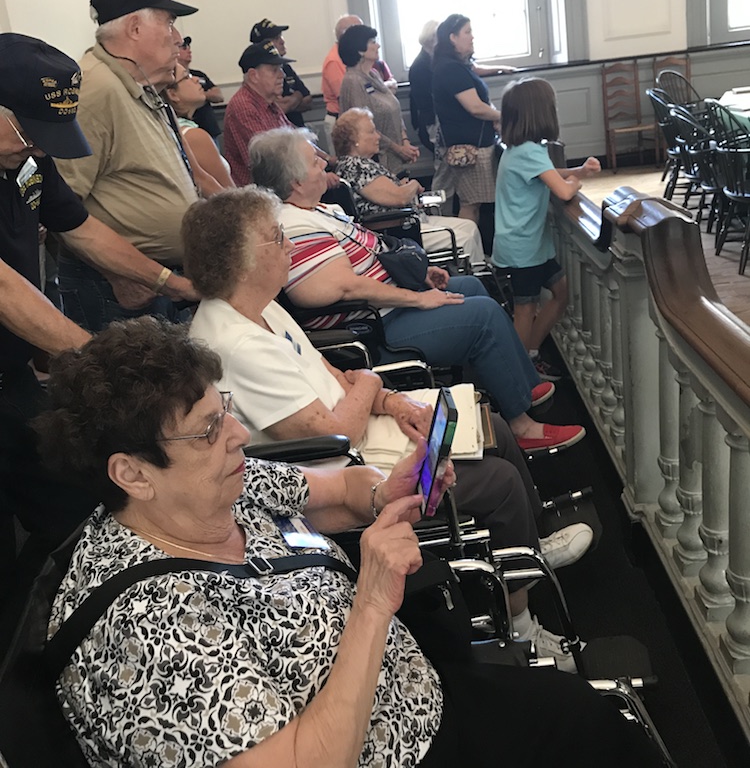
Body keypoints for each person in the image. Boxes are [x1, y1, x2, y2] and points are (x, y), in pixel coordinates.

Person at [37, 317, 662, 768]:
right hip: (395, 744)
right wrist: (369, 603)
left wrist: (388, 491)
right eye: (207, 430)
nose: (236, 435)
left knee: (580, 715)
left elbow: (333, 492)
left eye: (223, 410)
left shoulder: (214, 488)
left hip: (412, 691)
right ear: (133, 473)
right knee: (591, 728)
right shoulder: (147, 629)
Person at [184, 186, 595, 670]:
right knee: (499, 483)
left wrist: (391, 401)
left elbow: (335, 376)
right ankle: (523, 627)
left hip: (361, 431)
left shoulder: (261, 307)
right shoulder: (235, 344)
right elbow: (336, 430)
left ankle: (529, 544)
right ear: (246, 259)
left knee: (496, 428)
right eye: (278, 239)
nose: (291, 247)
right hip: (341, 472)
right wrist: (372, 384)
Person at [248, 127, 586, 454]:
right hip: (374, 329)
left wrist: (418, 276)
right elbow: (343, 288)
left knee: (471, 285)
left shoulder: (318, 210)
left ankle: (521, 386)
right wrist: (419, 299)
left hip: (387, 305)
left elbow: (374, 256)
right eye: (314, 162)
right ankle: (521, 426)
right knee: (482, 316)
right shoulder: (295, 225)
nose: (324, 163)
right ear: (294, 181)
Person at [0, 33, 197, 591]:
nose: (37, 149)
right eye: (28, 134)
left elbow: (81, 227)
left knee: (74, 510)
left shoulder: (25, 163)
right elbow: (5, 289)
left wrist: (168, 280)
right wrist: (99, 356)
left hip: (11, 382)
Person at [54, 0, 216, 332]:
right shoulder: (94, 90)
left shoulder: (142, 83)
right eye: (169, 23)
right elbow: (61, 207)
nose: (177, 38)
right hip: (120, 286)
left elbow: (187, 175)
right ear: (134, 28)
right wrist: (115, 272)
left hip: (159, 280)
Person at [493, 79, 601, 376]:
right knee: (524, 310)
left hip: (530, 244)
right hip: (523, 247)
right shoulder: (529, 151)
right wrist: (579, 180)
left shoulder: (521, 149)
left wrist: (578, 171)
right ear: (541, 113)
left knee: (560, 292)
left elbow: (547, 174)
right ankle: (517, 372)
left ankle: (529, 353)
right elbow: (564, 191)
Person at [333, 108, 485, 263]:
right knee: (464, 239)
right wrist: (412, 185)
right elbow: (399, 198)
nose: (378, 136)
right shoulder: (355, 167)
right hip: (396, 231)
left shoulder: (361, 164)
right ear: (354, 139)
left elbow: (390, 193)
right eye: (372, 132)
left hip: (408, 222)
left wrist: (400, 186)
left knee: (469, 227)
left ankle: (482, 276)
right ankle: (474, 281)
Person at [432, 14, 501, 224]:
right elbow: (475, 107)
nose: (472, 37)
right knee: (470, 204)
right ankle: (469, 252)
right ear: (452, 37)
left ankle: (472, 250)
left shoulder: (454, 65)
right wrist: (504, 116)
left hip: (473, 143)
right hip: (469, 147)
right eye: (467, 32)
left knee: (473, 203)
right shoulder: (450, 68)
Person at [338, 24, 420, 174]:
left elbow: (394, 107)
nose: (378, 45)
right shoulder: (353, 81)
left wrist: (405, 142)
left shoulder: (374, 74)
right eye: (372, 41)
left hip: (393, 155)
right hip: (376, 159)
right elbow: (364, 127)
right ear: (360, 49)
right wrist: (399, 149)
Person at [223, 41, 293, 186]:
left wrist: (325, 159)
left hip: (279, 187)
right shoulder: (243, 107)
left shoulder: (270, 103)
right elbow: (269, 159)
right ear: (253, 76)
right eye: (274, 70)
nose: (283, 75)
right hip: (261, 196)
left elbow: (295, 139)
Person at [160, 63, 234, 189]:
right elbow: (230, 193)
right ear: (173, 94)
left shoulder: (171, 127)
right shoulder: (193, 136)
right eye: (187, 77)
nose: (195, 79)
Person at [249, 18, 312, 128]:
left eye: (281, 36)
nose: (282, 41)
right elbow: (271, 110)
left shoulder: (286, 67)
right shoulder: (257, 75)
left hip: (298, 131)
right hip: (277, 136)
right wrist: (297, 97)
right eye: (275, 38)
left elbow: (308, 101)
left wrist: (291, 101)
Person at [321, 13, 363, 147]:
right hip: (341, 120)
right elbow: (347, 96)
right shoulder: (335, 60)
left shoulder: (353, 56)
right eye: (360, 31)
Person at [176, 34, 223, 138]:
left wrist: (199, 95)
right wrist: (204, 94)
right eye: (184, 47)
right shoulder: (172, 78)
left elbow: (219, 95)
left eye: (189, 47)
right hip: (194, 132)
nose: (189, 50)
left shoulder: (199, 74)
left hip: (210, 130)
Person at [409, 19, 439, 152]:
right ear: (432, 38)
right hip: (431, 122)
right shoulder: (420, 66)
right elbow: (425, 103)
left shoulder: (435, 60)